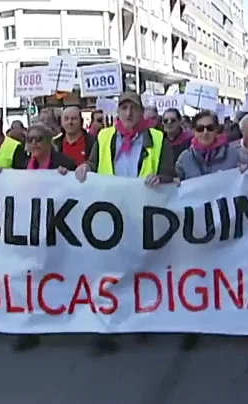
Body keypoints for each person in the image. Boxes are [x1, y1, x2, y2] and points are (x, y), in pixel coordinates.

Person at [74, 91, 175, 356]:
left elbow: (169, 173)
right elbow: (93, 166)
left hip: (144, 212)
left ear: (142, 112)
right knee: (108, 271)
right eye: (123, 108)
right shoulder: (104, 137)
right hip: (110, 213)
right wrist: (84, 167)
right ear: (117, 112)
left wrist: (161, 178)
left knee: (140, 269)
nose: (128, 114)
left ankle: (138, 320)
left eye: (133, 109)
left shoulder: (158, 138)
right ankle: (106, 326)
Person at [12, 123, 77, 352]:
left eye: (39, 139)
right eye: (30, 139)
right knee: (31, 276)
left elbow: (82, 190)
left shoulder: (64, 164)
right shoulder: (20, 165)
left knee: (58, 275)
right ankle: (31, 327)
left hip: (59, 229)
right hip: (29, 228)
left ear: (50, 142)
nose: (34, 144)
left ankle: (65, 318)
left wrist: (67, 178)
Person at [175, 110, 241, 181]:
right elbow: (175, 183)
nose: (205, 132)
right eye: (200, 128)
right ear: (194, 131)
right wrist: (174, 182)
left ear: (216, 129)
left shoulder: (233, 154)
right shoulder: (185, 158)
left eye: (210, 128)